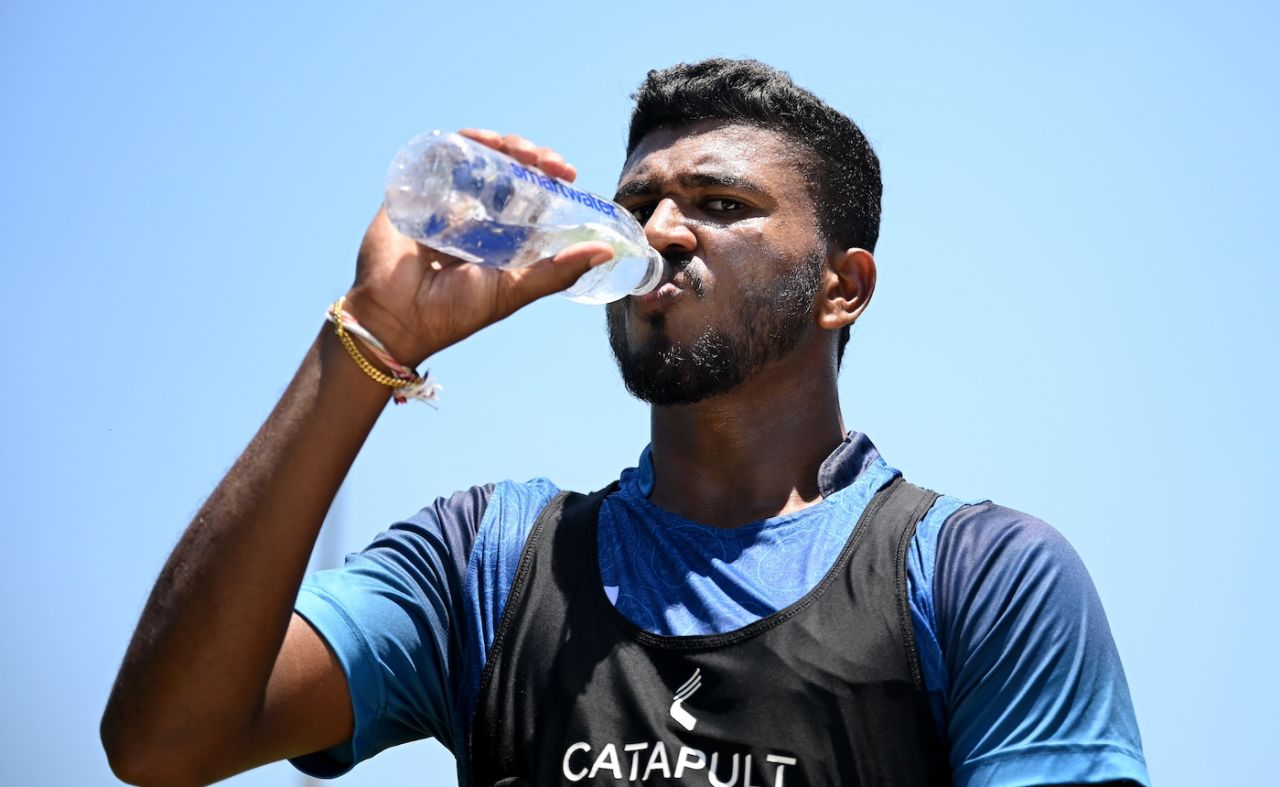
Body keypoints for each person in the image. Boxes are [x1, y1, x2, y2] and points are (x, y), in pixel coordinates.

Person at [101, 59, 1149, 787]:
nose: (660, 232)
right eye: (636, 205)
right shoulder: (487, 563)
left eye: (721, 204)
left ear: (843, 287)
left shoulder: (978, 578)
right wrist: (371, 338)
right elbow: (164, 743)